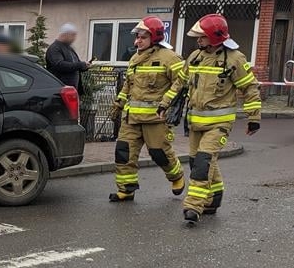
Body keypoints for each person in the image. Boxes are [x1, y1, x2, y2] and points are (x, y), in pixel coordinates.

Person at [178, 13, 261, 227]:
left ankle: (193, 207)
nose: (198, 40)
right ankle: (214, 198)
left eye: (202, 36)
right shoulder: (195, 56)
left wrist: (254, 118)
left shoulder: (234, 59)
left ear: (215, 37)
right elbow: (180, 83)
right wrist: (164, 105)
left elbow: (249, 88)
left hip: (219, 123)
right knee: (199, 162)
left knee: (203, 163)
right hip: (195, 121)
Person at [108, 17, 186, 202]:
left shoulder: (170, 58)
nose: (137, 41)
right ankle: (126, 189)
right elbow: (128, 85)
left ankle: (176, 176)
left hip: (156, 119)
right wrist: (118, 105)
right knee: (123, 152)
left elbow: (182, 83)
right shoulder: (135, 58)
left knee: (159, 153)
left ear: (155, 37)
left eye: (142, 37)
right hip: (132, 118)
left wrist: (166, 103)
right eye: (137, 37)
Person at [45, 23, 90, 89]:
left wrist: (85, 66)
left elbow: (75, 66)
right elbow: (60, 65)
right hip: (59, 90)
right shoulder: (55, 48)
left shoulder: (69, 48)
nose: (74, 38)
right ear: (64, 35)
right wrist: (80, 64)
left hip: (71, 90)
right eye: (72, 35)